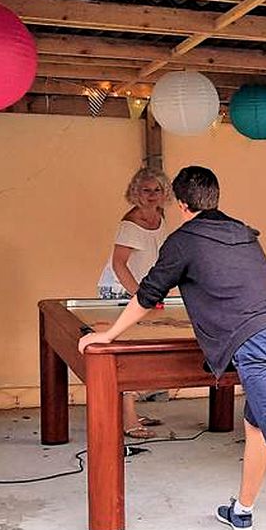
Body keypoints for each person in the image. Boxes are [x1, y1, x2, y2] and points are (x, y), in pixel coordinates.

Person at [79, 166, 266, 530]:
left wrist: (109, 335)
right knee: (258, 424)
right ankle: (241, 510)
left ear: (182, 204)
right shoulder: (243, 231)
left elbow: (148, 293)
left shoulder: (182, 240)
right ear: (214, 198)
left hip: (255, 341)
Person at [97, 167, 172, 440]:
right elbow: (119, 264)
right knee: (127, 353)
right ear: (135, 193)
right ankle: (127, 419)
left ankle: (130, 411)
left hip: (142, 290)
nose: (152, 196)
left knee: (141, 350)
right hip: (119, 291)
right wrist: (140, 297)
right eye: (146, 190)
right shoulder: (130, 223)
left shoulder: (159, 216)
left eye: (157, 190)